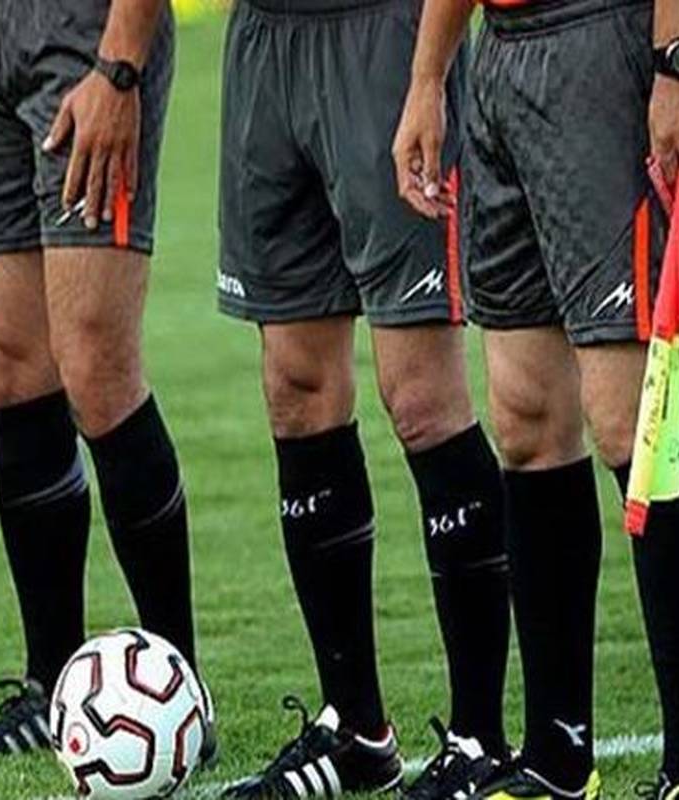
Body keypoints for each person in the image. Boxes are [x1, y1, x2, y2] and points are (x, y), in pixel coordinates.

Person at [394, 0, 679, 797]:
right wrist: (428, 77)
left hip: (608, 32)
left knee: (630, 421)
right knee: (525, 420)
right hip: (503, 51)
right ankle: (557, 759)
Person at [0, 0, 214, 758]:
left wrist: (120, 65)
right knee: (10, 367)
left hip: (82, 37)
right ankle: (50, 685)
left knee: (96, 369)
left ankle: (180, 693)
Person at [214, 0, 513, 796]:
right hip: (264, 43)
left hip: (383, 35)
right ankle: (356, 728)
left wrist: (429, 75)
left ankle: (480, 739)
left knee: (421, 397)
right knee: (296, 388)